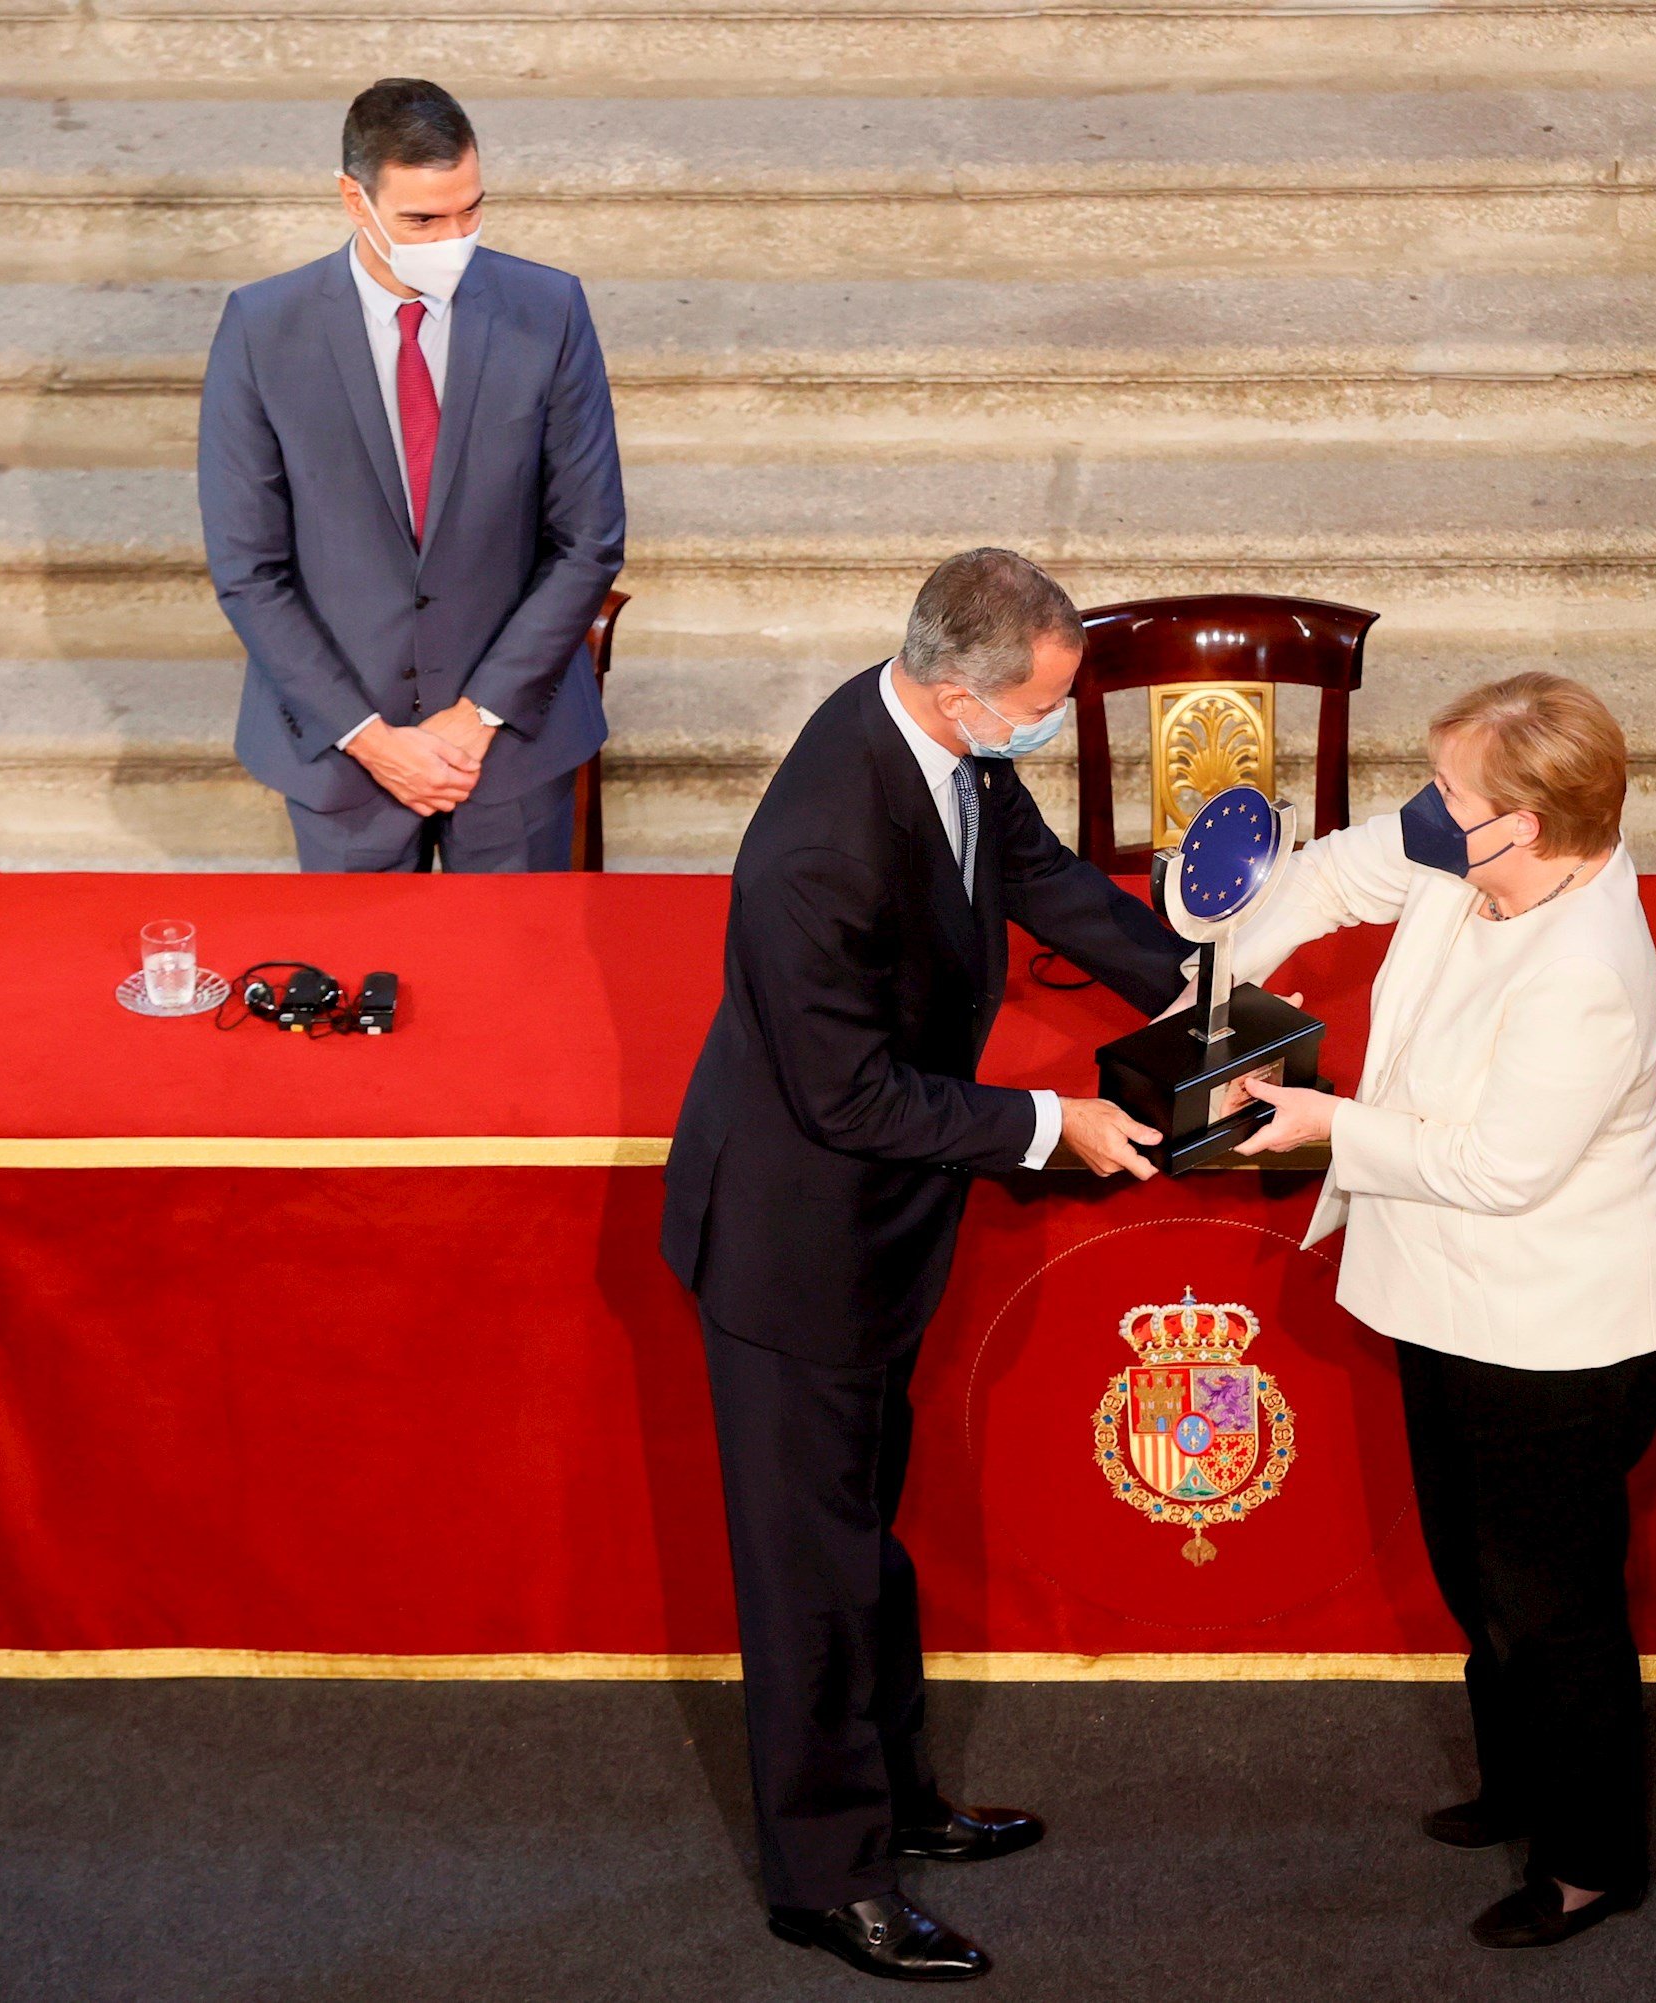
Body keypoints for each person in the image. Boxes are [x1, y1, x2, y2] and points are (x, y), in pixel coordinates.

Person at [660, 549, 1188, 1983]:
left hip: (876, 1232)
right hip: (792, 1247)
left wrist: (1189, 982)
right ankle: (827, 1878)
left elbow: (1033, 874)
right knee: (811, 1577)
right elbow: (850, 1098)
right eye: (1040, 705)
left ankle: (896, 1801)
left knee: (864, 1548)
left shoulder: (942, 740)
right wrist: (1048, 1122)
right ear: (959, 691)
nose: (1046, 728)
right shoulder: (818, 843)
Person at [1224, 672, 1656, 1952]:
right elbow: (1330, 874)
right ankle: (1518, 1781)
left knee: (1551, 1601)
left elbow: (1502, 1166)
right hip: (1449, 1297)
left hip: (1559, 1332)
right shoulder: (1478, 853)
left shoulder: (1589, 965)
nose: (1427, 814)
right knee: (1469, 1566)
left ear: (1526, 827)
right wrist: (1213, 978)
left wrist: (1326, 1122)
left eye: (1452, 794)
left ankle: (1592, 1856)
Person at [198, 77, 625, 872]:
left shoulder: (549, 309)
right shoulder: (263, 330)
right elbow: (248, 569)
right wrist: (370, 737)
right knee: (359, 983)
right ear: (354, 201)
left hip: (508, 751)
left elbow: (588, 540)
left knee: (512, 978)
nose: (453, 237)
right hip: (343, 756)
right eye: (423, 219)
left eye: (471, 209)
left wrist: (479, 714)